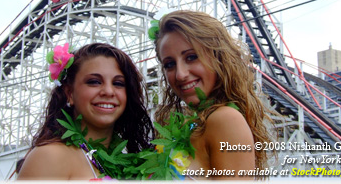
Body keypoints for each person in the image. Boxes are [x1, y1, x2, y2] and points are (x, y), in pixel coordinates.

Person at [151, 10, 273, 180]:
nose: (180, 74)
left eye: (191, 57)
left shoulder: (225, 119)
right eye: (169, 64)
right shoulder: (192, 124)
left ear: (218, 57)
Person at [16, 43, 154, 180]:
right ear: (69, 93)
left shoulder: (126, 166)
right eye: (94, 82)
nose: (108, 91)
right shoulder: (51, 156)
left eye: (118, 83)